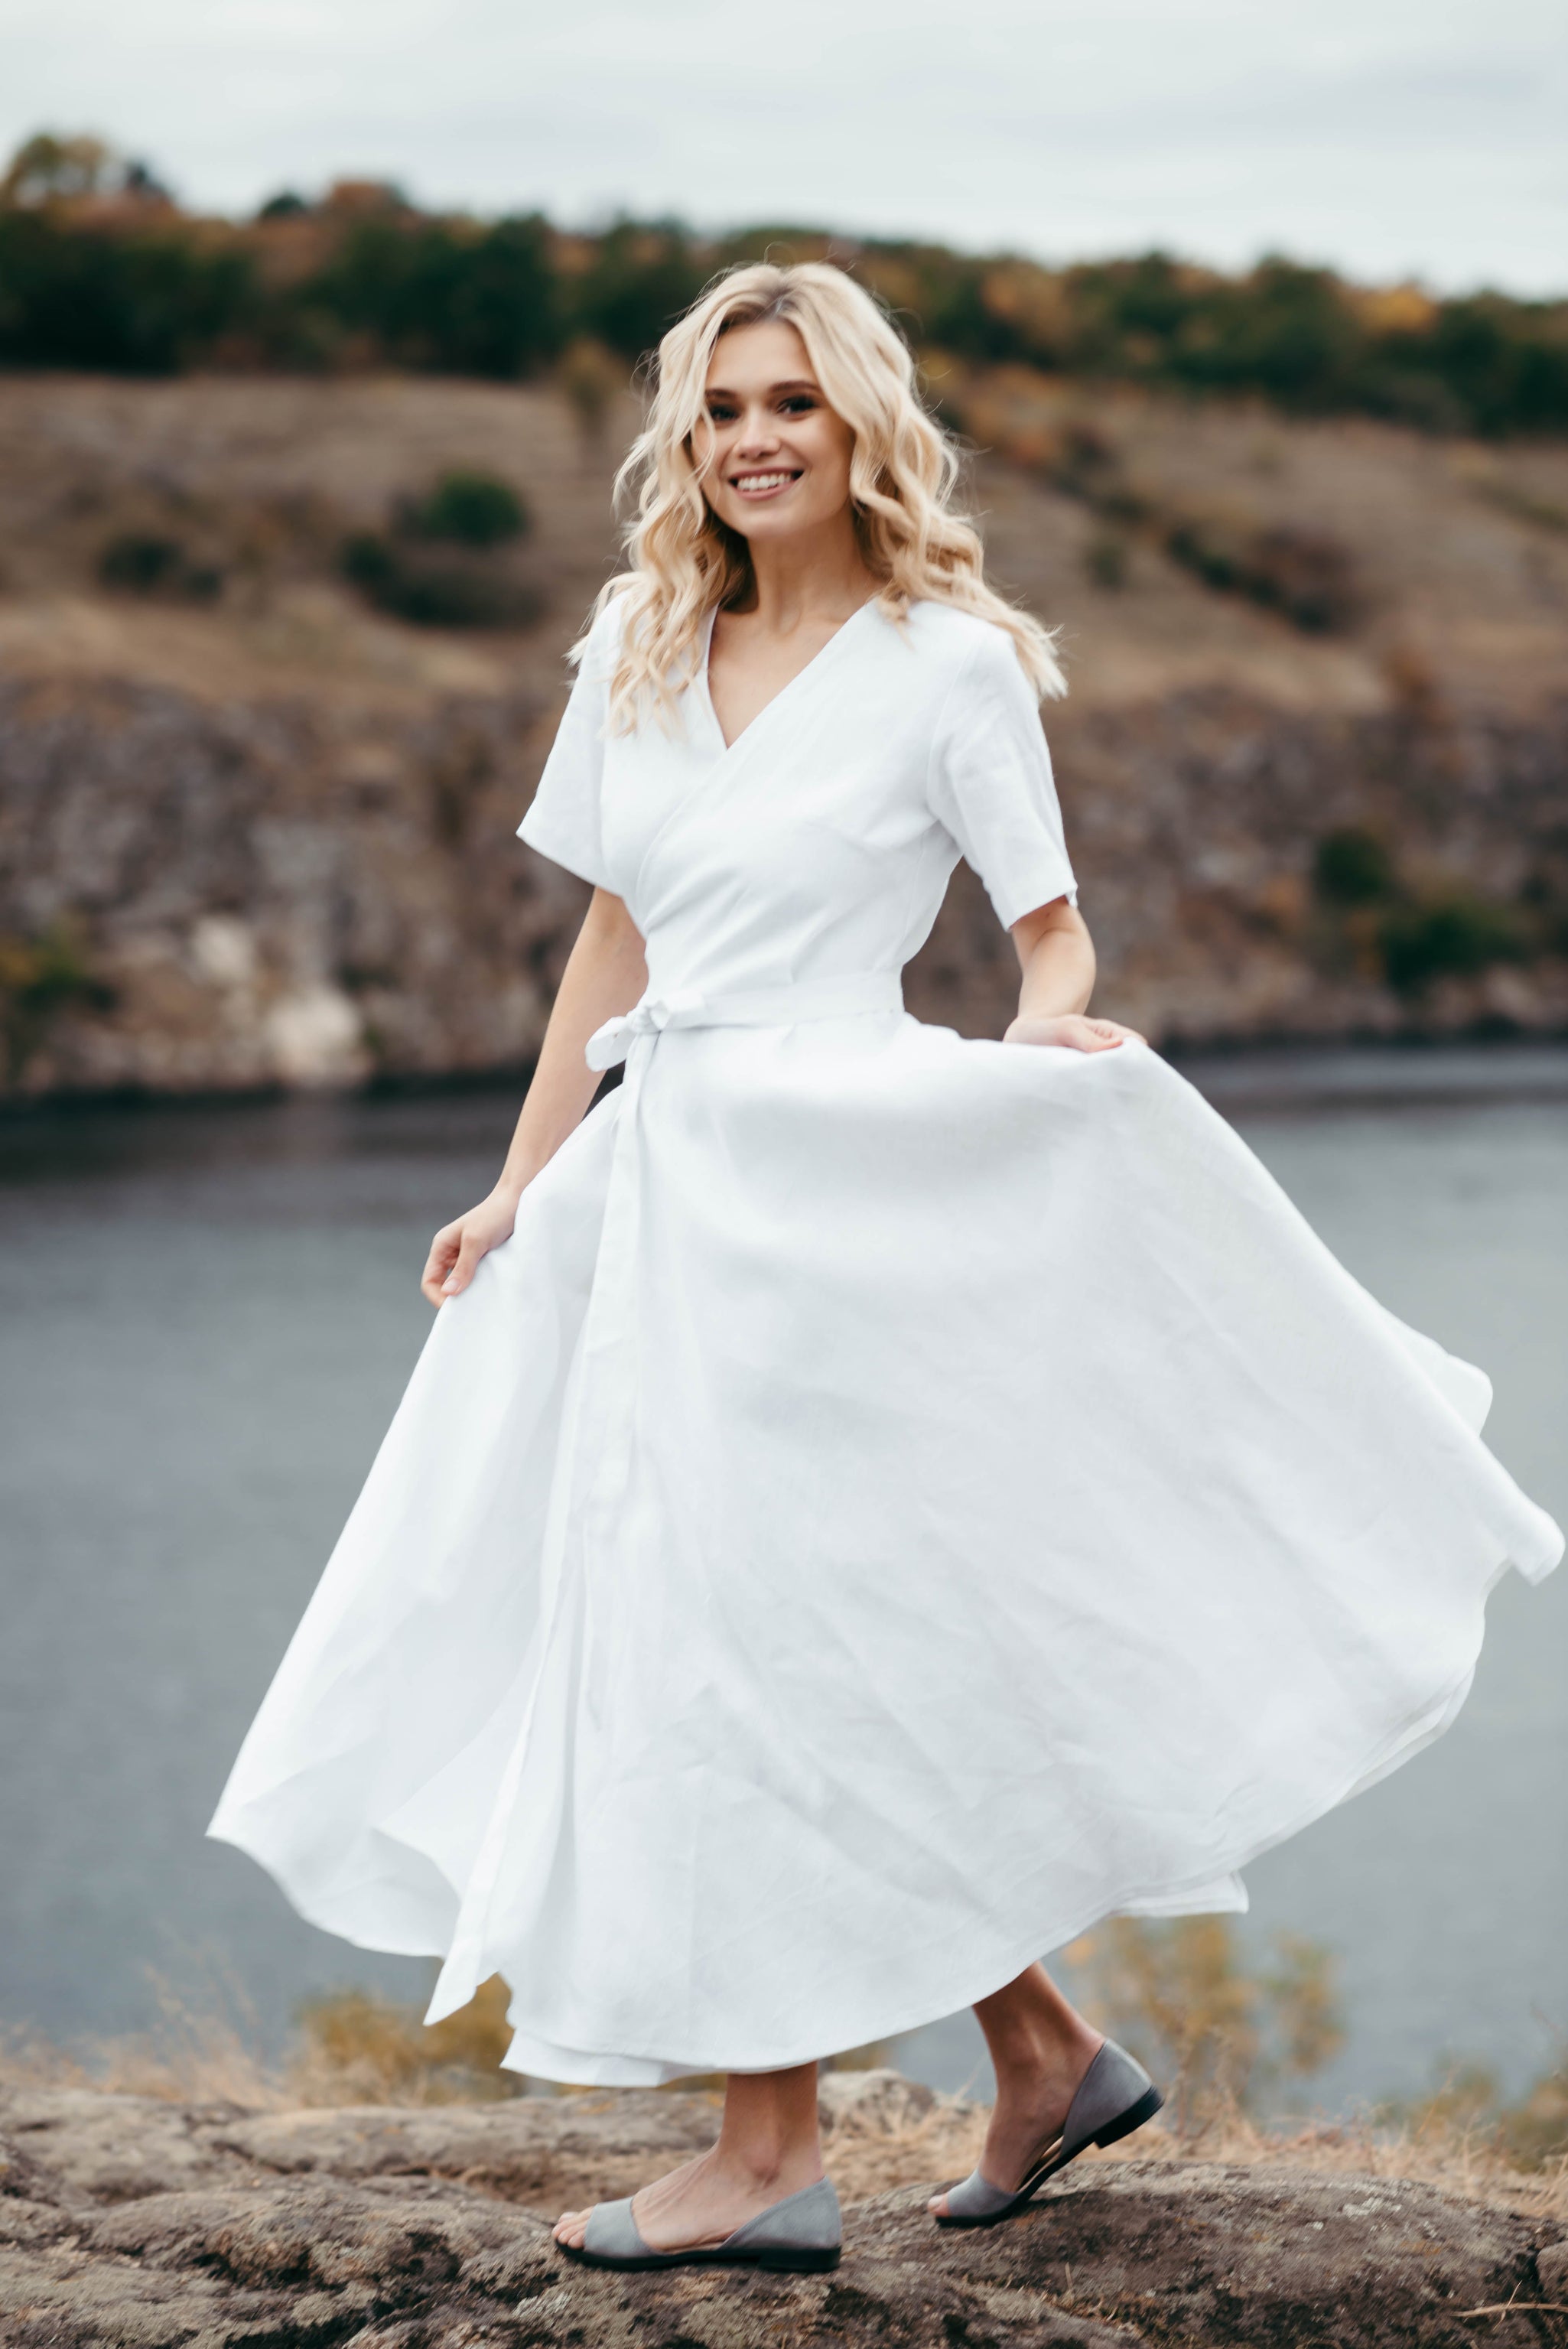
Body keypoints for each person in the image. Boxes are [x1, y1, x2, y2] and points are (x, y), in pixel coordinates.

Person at [210, 262, 1562, 2276]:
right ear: (686, 437)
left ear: (858, 430)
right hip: (658, 1194)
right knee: (750, 1645)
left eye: (793, 404)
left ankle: (767, 2162)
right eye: (720, 406)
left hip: (835, 1201)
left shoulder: (949, 663)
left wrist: (1044, 1038)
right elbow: (609, 949)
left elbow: (1051, 931)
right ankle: (1039, 2048)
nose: (753, 436)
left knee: (753, 1647)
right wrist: (517, 1184)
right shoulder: (636, 645)